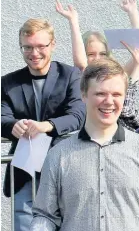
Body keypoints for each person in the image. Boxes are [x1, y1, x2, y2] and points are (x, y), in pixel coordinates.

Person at [30, 58, 139, 231]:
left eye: (116, 94)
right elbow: (45, 216)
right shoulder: (58, 155)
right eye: (100, 93)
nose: (109, 101)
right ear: (83, 95)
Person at [1, 18, 86, 231]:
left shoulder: (70, 75)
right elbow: (1, 117)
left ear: (53, 45)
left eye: (41, 46)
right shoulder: (8, 82)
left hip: (65, 166)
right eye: (27, 47)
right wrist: (13, 125)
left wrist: (46, 126)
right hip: (25, 170)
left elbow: (77, 115)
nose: (34, 53)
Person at [56, 0, 139, 130]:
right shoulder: (81, 76)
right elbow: (81, 64)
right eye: (91, 54)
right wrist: (73, 21)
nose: (97, 58)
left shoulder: (116, 74)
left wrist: (133, 13)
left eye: (102, 54)